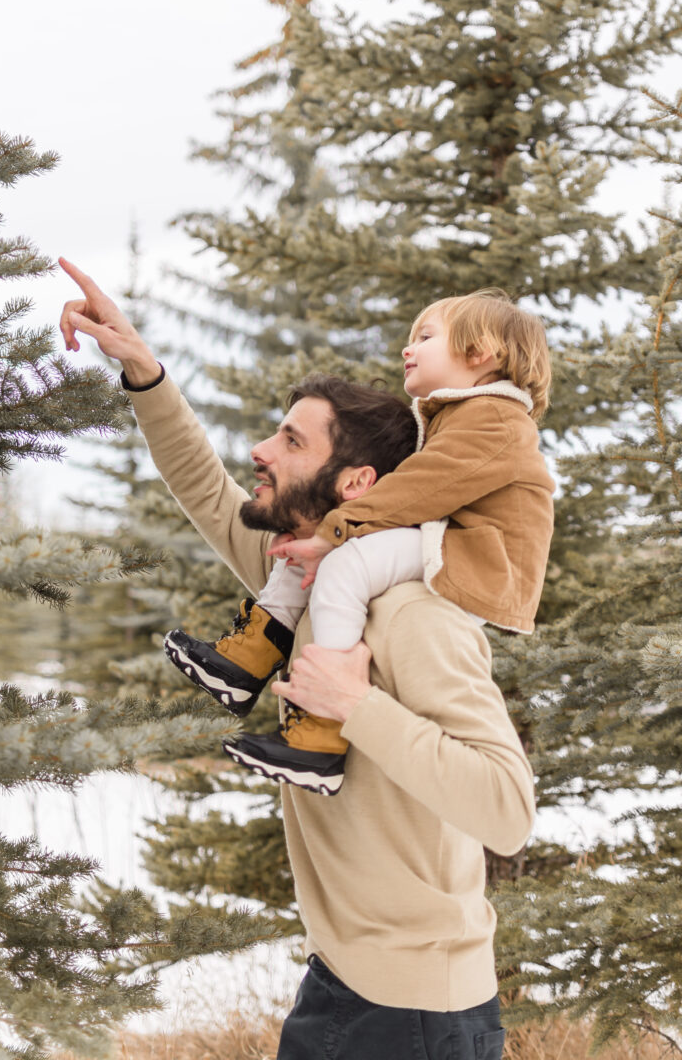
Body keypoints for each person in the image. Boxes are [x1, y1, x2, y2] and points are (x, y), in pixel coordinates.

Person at [59, 257, 538, 1060]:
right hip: (352, 987)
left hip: (410, 1014)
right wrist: (142, 370)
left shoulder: (416, 615)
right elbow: (208, 492)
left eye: (289, 439)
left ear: (355, 483)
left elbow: (508, 811)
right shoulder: (300, 583)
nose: (259, 449)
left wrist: (358, 708)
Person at [165, 289, 554, 796]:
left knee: (342, 560)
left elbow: (422, 487)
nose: (407, 349)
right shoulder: (453, 417)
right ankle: (250, 656)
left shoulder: (496, 420)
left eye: (426, 337)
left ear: (480, 353)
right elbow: (206, 490)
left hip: (479, 556)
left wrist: (335, 534)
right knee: (307, 545)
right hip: (446, 538)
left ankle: (320, 729)